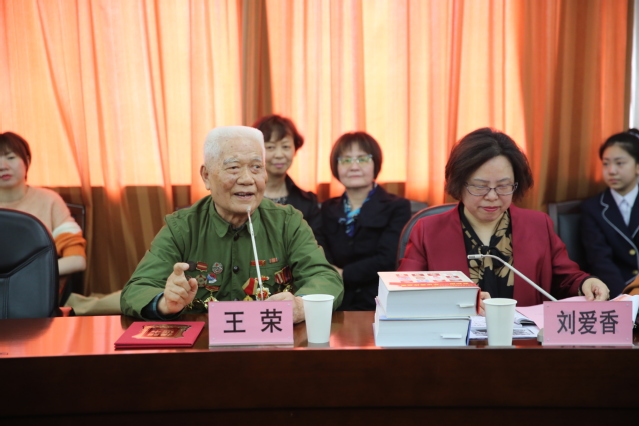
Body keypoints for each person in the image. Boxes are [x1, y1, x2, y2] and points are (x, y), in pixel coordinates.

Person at [120, 126, 344, 322]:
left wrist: (301, 306)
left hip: (268, 343)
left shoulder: (287, 222)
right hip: (203, 346)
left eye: (256, 167)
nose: (247, 179)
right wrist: (165, 302)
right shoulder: (182, 227)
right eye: (234, 167)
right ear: (206, 176)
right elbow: (136, 290)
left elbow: (324, 278)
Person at [398, 127, 609, 308]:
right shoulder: (428, 230)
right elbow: (404, 293)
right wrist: (456, 302)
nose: (492, 196)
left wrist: (586, 283)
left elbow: (565, 279)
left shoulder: (538, 225)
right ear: (459, 184)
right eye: (480, 186)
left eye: (503, 186)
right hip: (456, 339)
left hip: (525, 340)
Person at [316, 132, 411, 311]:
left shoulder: (397, 207)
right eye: (346, 160)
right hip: (334, 299)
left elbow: (388, 258)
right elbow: (319, 250)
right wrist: (331, 274)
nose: (354, 167)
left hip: (378, 302)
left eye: (362, 159)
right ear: (335, 166)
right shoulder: (327, 208)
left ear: (376, 163)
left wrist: (344, 274)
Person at [0, 132, 86, 277]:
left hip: (36, 284)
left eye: (11, 157)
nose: (3, 166)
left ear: (27, 161)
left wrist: (29, 275)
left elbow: (77, 259)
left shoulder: (49, 200)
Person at [581, 130, 639, 297]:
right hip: (618, 291)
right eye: (606, 164)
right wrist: (625, 298)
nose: (611, 170)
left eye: (620, 163)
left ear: (637, 166)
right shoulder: (593, 208)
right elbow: (600, 260)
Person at [252, 115, 321, 234]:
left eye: (285, 146)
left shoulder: (308, 202)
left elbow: (316, 242)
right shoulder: (242, 195)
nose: (279, 155)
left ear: (295, 149)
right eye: (270, 147)